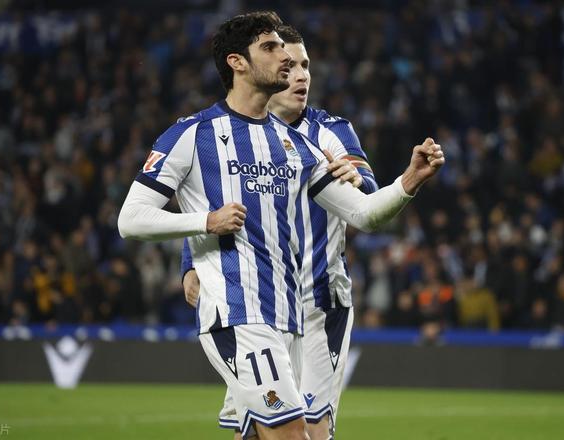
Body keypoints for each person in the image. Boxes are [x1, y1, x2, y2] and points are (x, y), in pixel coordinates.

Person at [118, 11, 444, 440]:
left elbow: (364, 213)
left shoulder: (298, 145)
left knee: (262, 435)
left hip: (291, 316)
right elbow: (131, 219)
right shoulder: (191, 135)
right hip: (237, 313)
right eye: (270, 48)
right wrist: (205, 223)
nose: (287, 60)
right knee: (293, 433)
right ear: (237, 62)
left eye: (294, 56)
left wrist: (409, 181)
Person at [181, 24, 379, 440]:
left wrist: (359, 180)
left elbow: (368, 198)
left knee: (309, 430)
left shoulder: (331, 131)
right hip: (258, 303)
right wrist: (190, 262)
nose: (301, 75)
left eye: (306, 66)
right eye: (291, 65)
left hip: (319, 303)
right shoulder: (231, 135)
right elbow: (208, 203)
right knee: (258, 430)